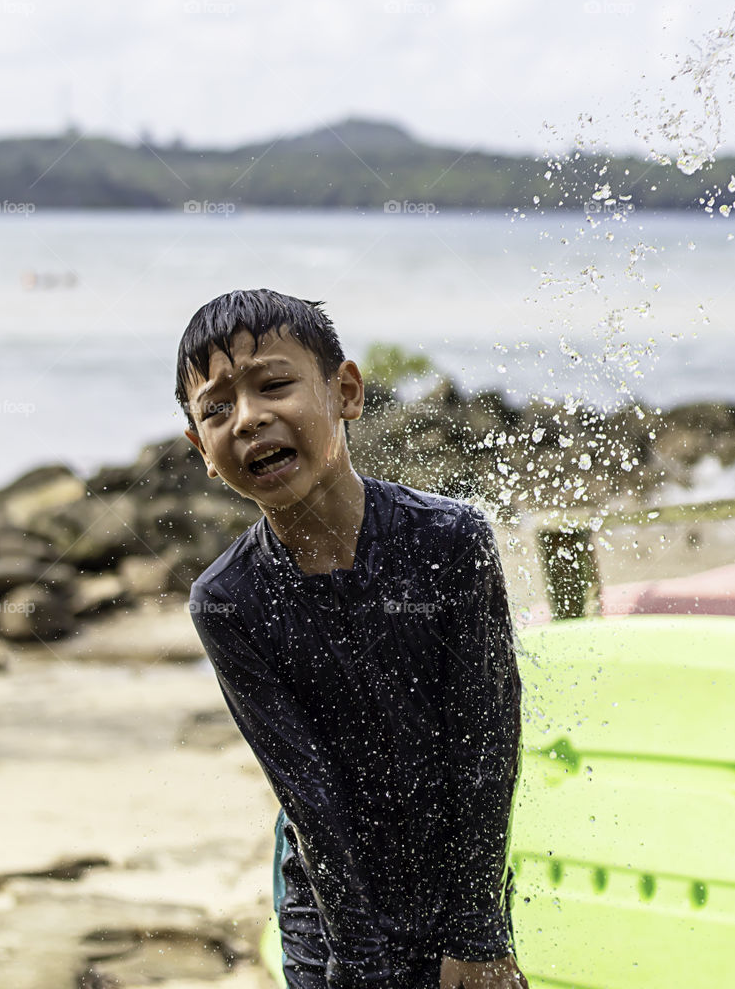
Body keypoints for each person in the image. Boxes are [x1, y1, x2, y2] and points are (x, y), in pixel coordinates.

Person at [175, 288, 528, 989]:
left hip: (461, 882)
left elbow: (486, 738)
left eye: (275, 384)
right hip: (329, 914)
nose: (248, 417)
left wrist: (478, 931)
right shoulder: (228, 601)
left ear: (346, 391)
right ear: (202, 452)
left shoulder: (449, 540)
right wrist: (360, 969)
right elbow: (310, 795)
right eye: (216, 409)